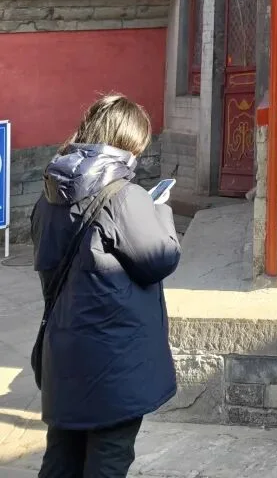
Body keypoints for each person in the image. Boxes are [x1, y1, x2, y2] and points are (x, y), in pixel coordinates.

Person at [31, 95, 182, 478]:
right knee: (108, 458)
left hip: (64, 351)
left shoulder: (48, 196)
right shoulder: (125, 197)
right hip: (113, 361)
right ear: (129, 142)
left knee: (61, 456)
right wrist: (159, 210)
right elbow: (160, 259)